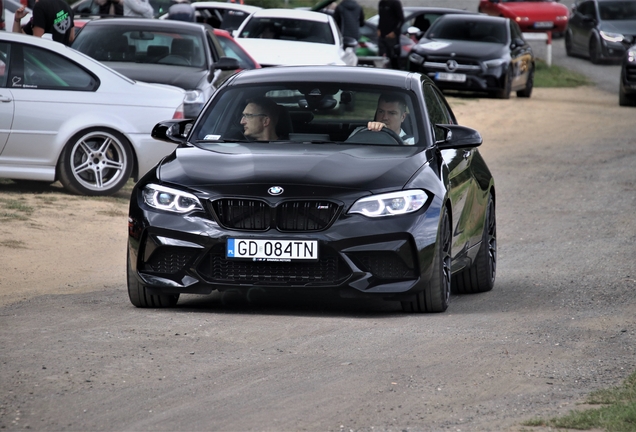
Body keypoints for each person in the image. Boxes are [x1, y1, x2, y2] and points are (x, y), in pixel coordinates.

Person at [349, 93, 414, 144]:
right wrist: (370, 134)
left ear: (403, 117)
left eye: (391, 113)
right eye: (381, 111)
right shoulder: (360, 132)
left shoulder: (411, 142)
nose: (385, 117)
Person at [377, 0, 404, 70]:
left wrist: (394, 32)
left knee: (393, 58)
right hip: (382, 36)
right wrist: (378, 28)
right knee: (382, 58)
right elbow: (380, 17)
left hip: (392, 37)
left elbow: (401, 19)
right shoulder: (381, 3)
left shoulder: (395, 3)